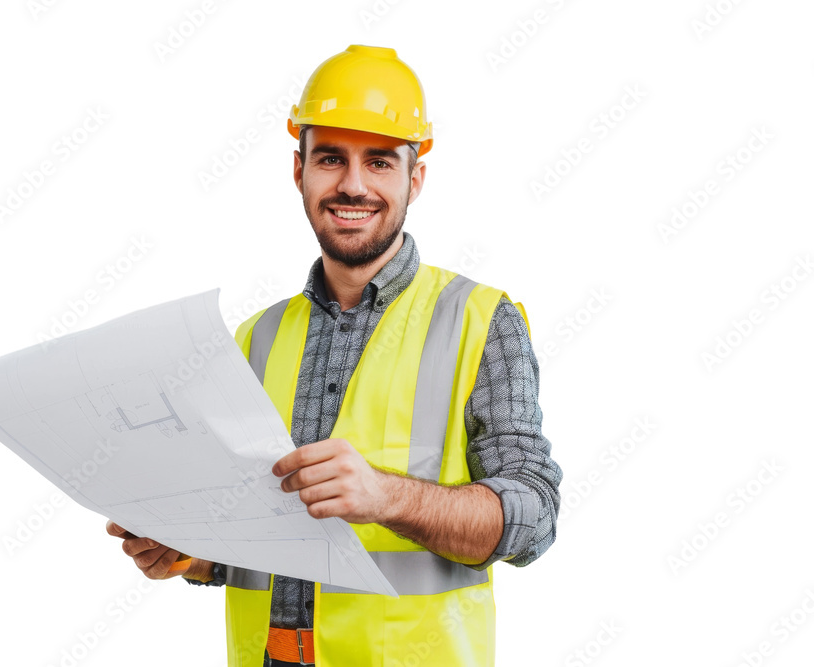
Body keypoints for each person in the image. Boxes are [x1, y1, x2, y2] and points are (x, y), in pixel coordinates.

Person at [106, 44, 563, 666]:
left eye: (379, 161)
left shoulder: (480, 320)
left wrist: (387, 497)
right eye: (330, 158)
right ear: (299, 172)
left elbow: (534, 521)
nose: (352, 184)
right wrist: (190, 553)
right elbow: (256, 538)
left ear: (415, 178)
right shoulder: (252, 339)